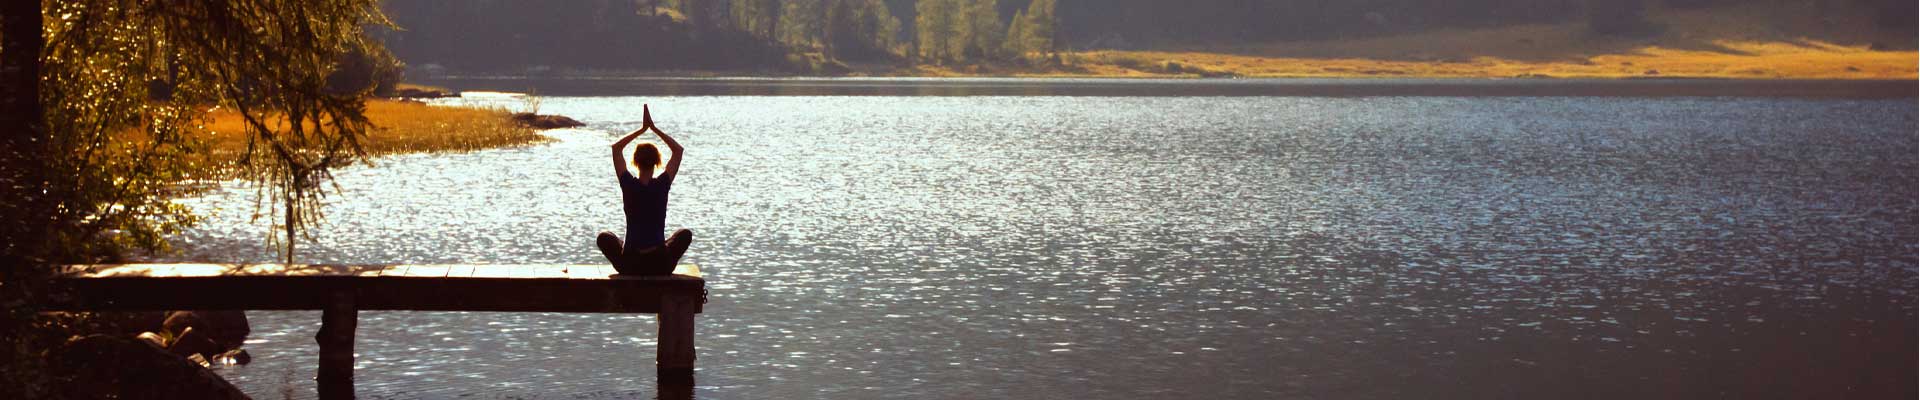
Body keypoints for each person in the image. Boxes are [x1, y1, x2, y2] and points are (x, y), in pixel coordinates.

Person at [597, 105, 692, 275]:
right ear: (657, 163)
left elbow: (616, 149)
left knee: (604, 237)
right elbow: (678, 151)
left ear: (635, 162)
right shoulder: (662, 185)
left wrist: (641, 130)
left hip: (630, 264)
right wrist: (654, 129)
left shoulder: (628, 184)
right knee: (684, 234)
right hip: (660, 264)